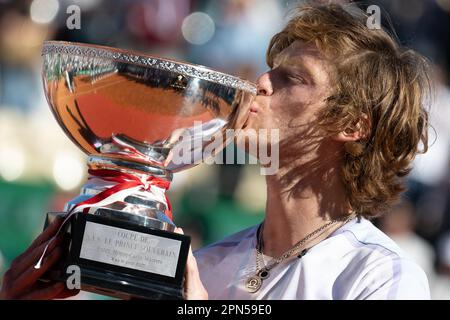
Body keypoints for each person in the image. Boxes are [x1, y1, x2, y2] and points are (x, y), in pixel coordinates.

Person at [0, 3, 432, 300]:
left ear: (352, 125)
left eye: (294, 78)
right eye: (270, 70)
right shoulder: (205, 264)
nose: (261, 83)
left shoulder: (381, 277)